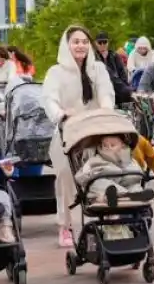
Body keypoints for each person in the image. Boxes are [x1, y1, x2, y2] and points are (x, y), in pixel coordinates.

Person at [42, 26, 116, 248]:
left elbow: (106, 92)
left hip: (95, 130)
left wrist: (106, 109)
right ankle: (65, 226)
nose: (81, 45)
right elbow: (49, 98)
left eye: (84, 41)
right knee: (65, 176)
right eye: (75, 41)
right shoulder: (56, 72)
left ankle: (111, 217)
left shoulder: (98, 69)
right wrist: (60, 114)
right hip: (68, 132)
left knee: (106, 169)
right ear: (67, 45)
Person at [75, 134, 152, 206]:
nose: (109, 148)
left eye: (113, 145)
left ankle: (136, 194)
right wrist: (90, 176)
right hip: (105, 188)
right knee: (98, 183)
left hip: (126, 184)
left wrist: (127, 175)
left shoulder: (129, 159)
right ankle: (123, 195)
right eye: (105, 145)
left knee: (134, 186)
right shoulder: (95, 159)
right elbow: (81, 175)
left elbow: (137, 172)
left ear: (122, 145)